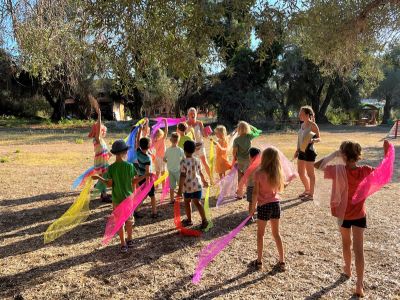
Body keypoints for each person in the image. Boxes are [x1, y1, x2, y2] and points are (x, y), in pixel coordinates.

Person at [314, 140, 390, 298]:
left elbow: (317, 165)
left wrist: (334, 154)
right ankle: (359, 284)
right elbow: (383, 174)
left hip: (343, 216)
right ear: (357, 156)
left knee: (345, 242)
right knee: (358, 249)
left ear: (344, 155)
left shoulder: (337, 170)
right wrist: (386, 155)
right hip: (359, 215)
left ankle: (347, 269)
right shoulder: (365, 170)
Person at [92, 139, 141, 253]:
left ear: (114, 153)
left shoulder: (111, 168)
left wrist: (99, 178)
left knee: (120, 222)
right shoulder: (130, 166)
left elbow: (109, 184)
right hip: (128, 199)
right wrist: (145, 177)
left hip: (116, 200)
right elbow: (134, 181)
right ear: (125, 152)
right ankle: (130, 239)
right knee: (129, 221)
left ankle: (123, 244)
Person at [250, 147, 285, 272]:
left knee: (260, 234)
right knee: (276, 234)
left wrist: (252, 208)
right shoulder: (278, 172)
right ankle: (282, 261)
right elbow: (280, 188)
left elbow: (255, 193)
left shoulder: (259, 173)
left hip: (264, 206)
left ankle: (259, 262)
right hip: (276, 205)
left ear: (263, 158)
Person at [177, 140, 209, 230]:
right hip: (197, 186)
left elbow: (183, 176)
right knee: (198, 203)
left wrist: (179, 190)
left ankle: (189, 220)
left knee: (187, 202)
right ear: (194, 150)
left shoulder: (183, 161)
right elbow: (200, 172)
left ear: (184, 150)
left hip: (187, 187)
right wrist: (204, 181)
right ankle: (204, 220)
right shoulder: (197, 160)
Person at [294, 106, 321, 201]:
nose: (299, 115)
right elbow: (299, 139)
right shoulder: (302, 125)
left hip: (310, 152)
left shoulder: (313, 125)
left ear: (307, 115)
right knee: (300, 173)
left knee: (310, 174)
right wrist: (297, 150)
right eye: (299, 114)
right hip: (301, 151)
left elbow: (319, 138)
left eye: (301, 114)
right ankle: (307, 189)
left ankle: (311, 195)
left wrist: (313, 140)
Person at [87, 95, 111, 203]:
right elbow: (98, 127)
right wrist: (99, 116)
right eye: (103, 130)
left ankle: (103, 193)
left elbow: (104, 151)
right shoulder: (98, 138)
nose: (104, 132)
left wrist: (110, 154)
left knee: (104, 176)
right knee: (103, 176)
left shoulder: (101, 140)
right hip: (101, 162)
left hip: (103, 160)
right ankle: (103, 194)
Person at [135, 128, 158, 218]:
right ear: (149, 146)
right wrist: (148, 184)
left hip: (140, 177)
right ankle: (154, 212)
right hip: (147, 179)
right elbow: (148, 172)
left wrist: (140, 130)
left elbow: (137, 140)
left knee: (142, 196)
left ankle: (136, 210)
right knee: (152, 196)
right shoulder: (148, 158)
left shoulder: (138, 152)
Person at [232, 121, 256, 197]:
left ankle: (240, 194)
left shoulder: (236, 140)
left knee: (240, 177)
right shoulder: (249, 136)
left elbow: (234, 151)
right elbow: (257, 131)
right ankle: (249, 192)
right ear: (247, 128)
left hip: (240, 160)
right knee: (249, 176)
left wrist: (235, 158)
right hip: (249, 160)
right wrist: (250, 125)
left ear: (238, 129)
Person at [187, 107, 211, 181]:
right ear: (188, 115)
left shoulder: (199, 123)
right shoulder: (186, 124)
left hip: (200, 145)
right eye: (191, 113)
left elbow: (204, 134)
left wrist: (207, 135)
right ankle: (200, 180)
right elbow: (182, 135)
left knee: (205, 162)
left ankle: (211, 178)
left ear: (196, 114)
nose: (192, 114)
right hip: (191, 147)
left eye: (194, 113)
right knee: (194, 165)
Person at [164, 132, 185, 203]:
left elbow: (164, 159)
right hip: (178, 170)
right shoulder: (180, 150)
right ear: (178, 140)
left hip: (170, 170)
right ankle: (183, 197)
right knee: (181, 185)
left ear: (170, 140)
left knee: (172, 186)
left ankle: (172, 199)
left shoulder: (167, 150)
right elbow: (184, 158)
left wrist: (168, 161)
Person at [246, 147, 261, 222]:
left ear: (251, 156)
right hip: (258, 186)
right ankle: (251, 215)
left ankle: (250, 215)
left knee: (251, 202)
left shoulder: (250, 165)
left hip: (251, 186)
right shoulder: (260, 164)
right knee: (257, 201)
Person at [152, 119, 168, 188]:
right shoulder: (162, 139)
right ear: (161, 134)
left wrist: (156, 126)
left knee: (157, 173)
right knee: (163, 173)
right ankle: (164, 186)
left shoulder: (153, 141)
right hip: (163, 158)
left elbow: (152, 133)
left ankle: (156, 185)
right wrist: (165, 122)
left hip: (157, 158)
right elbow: (166, 131)